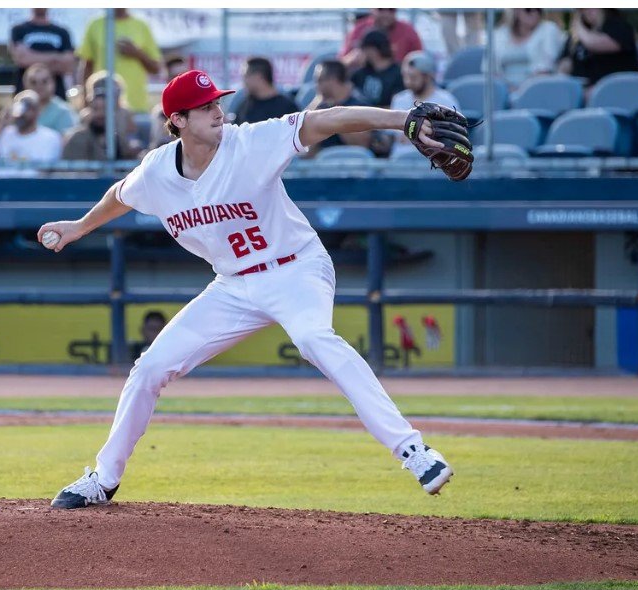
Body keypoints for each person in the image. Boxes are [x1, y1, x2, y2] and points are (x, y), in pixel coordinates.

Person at [40, 68, 454, 509]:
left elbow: (328, 119)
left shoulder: (251, 142)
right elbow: (120, 196)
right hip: (234, 286)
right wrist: (80, 226)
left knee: (315, 338)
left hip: (296, 269)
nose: (219, 111)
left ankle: (413, 451)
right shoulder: (157, 170)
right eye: (206, 107)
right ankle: (103, 479)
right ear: (177, 119)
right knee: (148, 370)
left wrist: (402, 118)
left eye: (218, 102)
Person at [77, 9, 162, 112]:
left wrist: (137, 53)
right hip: (103, 109)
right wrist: (86, 103)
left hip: (136, 106)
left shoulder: (141, 25)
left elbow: (156, 68)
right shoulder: (95, 25)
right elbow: (87, 67)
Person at [390, 51, 461, 158]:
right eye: (405, 77)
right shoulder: (399, 99)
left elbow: (453, 137)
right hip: (400, 159)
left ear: (428, 76)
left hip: (436, 158)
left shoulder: (446, 101)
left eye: (413, 77)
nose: (408, 82)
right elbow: (396, 137)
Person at [62, 72, 141, 160]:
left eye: (105, 108)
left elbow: (130, 149)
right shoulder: (80, 134)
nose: (100, 114)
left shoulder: (125, 117)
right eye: (96, 108)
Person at [0, 90, 62, 167]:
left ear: (38, 111)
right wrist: (1, 125)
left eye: (28, 107)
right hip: (4, 184)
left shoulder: (50, 137)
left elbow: (47, 172)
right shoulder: (3, 134)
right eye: (19, 105)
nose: (23, 112)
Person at [557, 8, 638, 88]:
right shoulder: (578, 34)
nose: (587, 11)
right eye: (582, 8)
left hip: (615, 89)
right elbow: (565, 61)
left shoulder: (620, 27)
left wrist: (577, 25)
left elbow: (593, 43)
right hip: (580, 88)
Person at [487, 8, 566, 91]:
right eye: (528, 9)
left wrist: (522, 92)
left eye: (538, 9)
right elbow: (490, 70)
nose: (534, 13)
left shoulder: (549, 30)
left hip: (536, 90)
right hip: (502, 91)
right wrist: (506, 89)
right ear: (516, 10)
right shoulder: (499, 34)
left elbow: (546, 69)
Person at [306, 60, 371, 155]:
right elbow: (305, 150)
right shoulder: (321, 107)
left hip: (354, 165)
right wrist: (316, 104)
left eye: (319, 80)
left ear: (333, 80)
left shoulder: (360, 105)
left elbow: (362, 145)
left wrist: (335, 117)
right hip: (323, 166)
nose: (316, 85)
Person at [9, 8, 76, 100]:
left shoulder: (62, 32)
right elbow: (22, 59)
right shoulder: (19, 30)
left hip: (56, 96)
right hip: (25, 96)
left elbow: (68, 65)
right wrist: (56, 58)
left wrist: (32, 56)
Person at [340, 8, 423, 70]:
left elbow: (421, 63)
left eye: (391, 9)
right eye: (381, 9)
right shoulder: (359, 29)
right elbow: (342, 62)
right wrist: (352, 59)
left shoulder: (408, 32)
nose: (386, 14)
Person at [232, 57, 299, 125]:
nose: (244, 81)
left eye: (246, 76)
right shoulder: (245, 105)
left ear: (259, 77)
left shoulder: (288, 108)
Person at [350, 29, 405, 108]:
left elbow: (398, 105)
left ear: (373, 50)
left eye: (363, 49)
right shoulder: (360, 73)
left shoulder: (399, 73)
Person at [23, 63, 78, 135]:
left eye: (44, 81)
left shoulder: (63, 111)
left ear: (53, 83)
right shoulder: (19, 111)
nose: (39, 86)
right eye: (33, 82)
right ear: (25, 85)